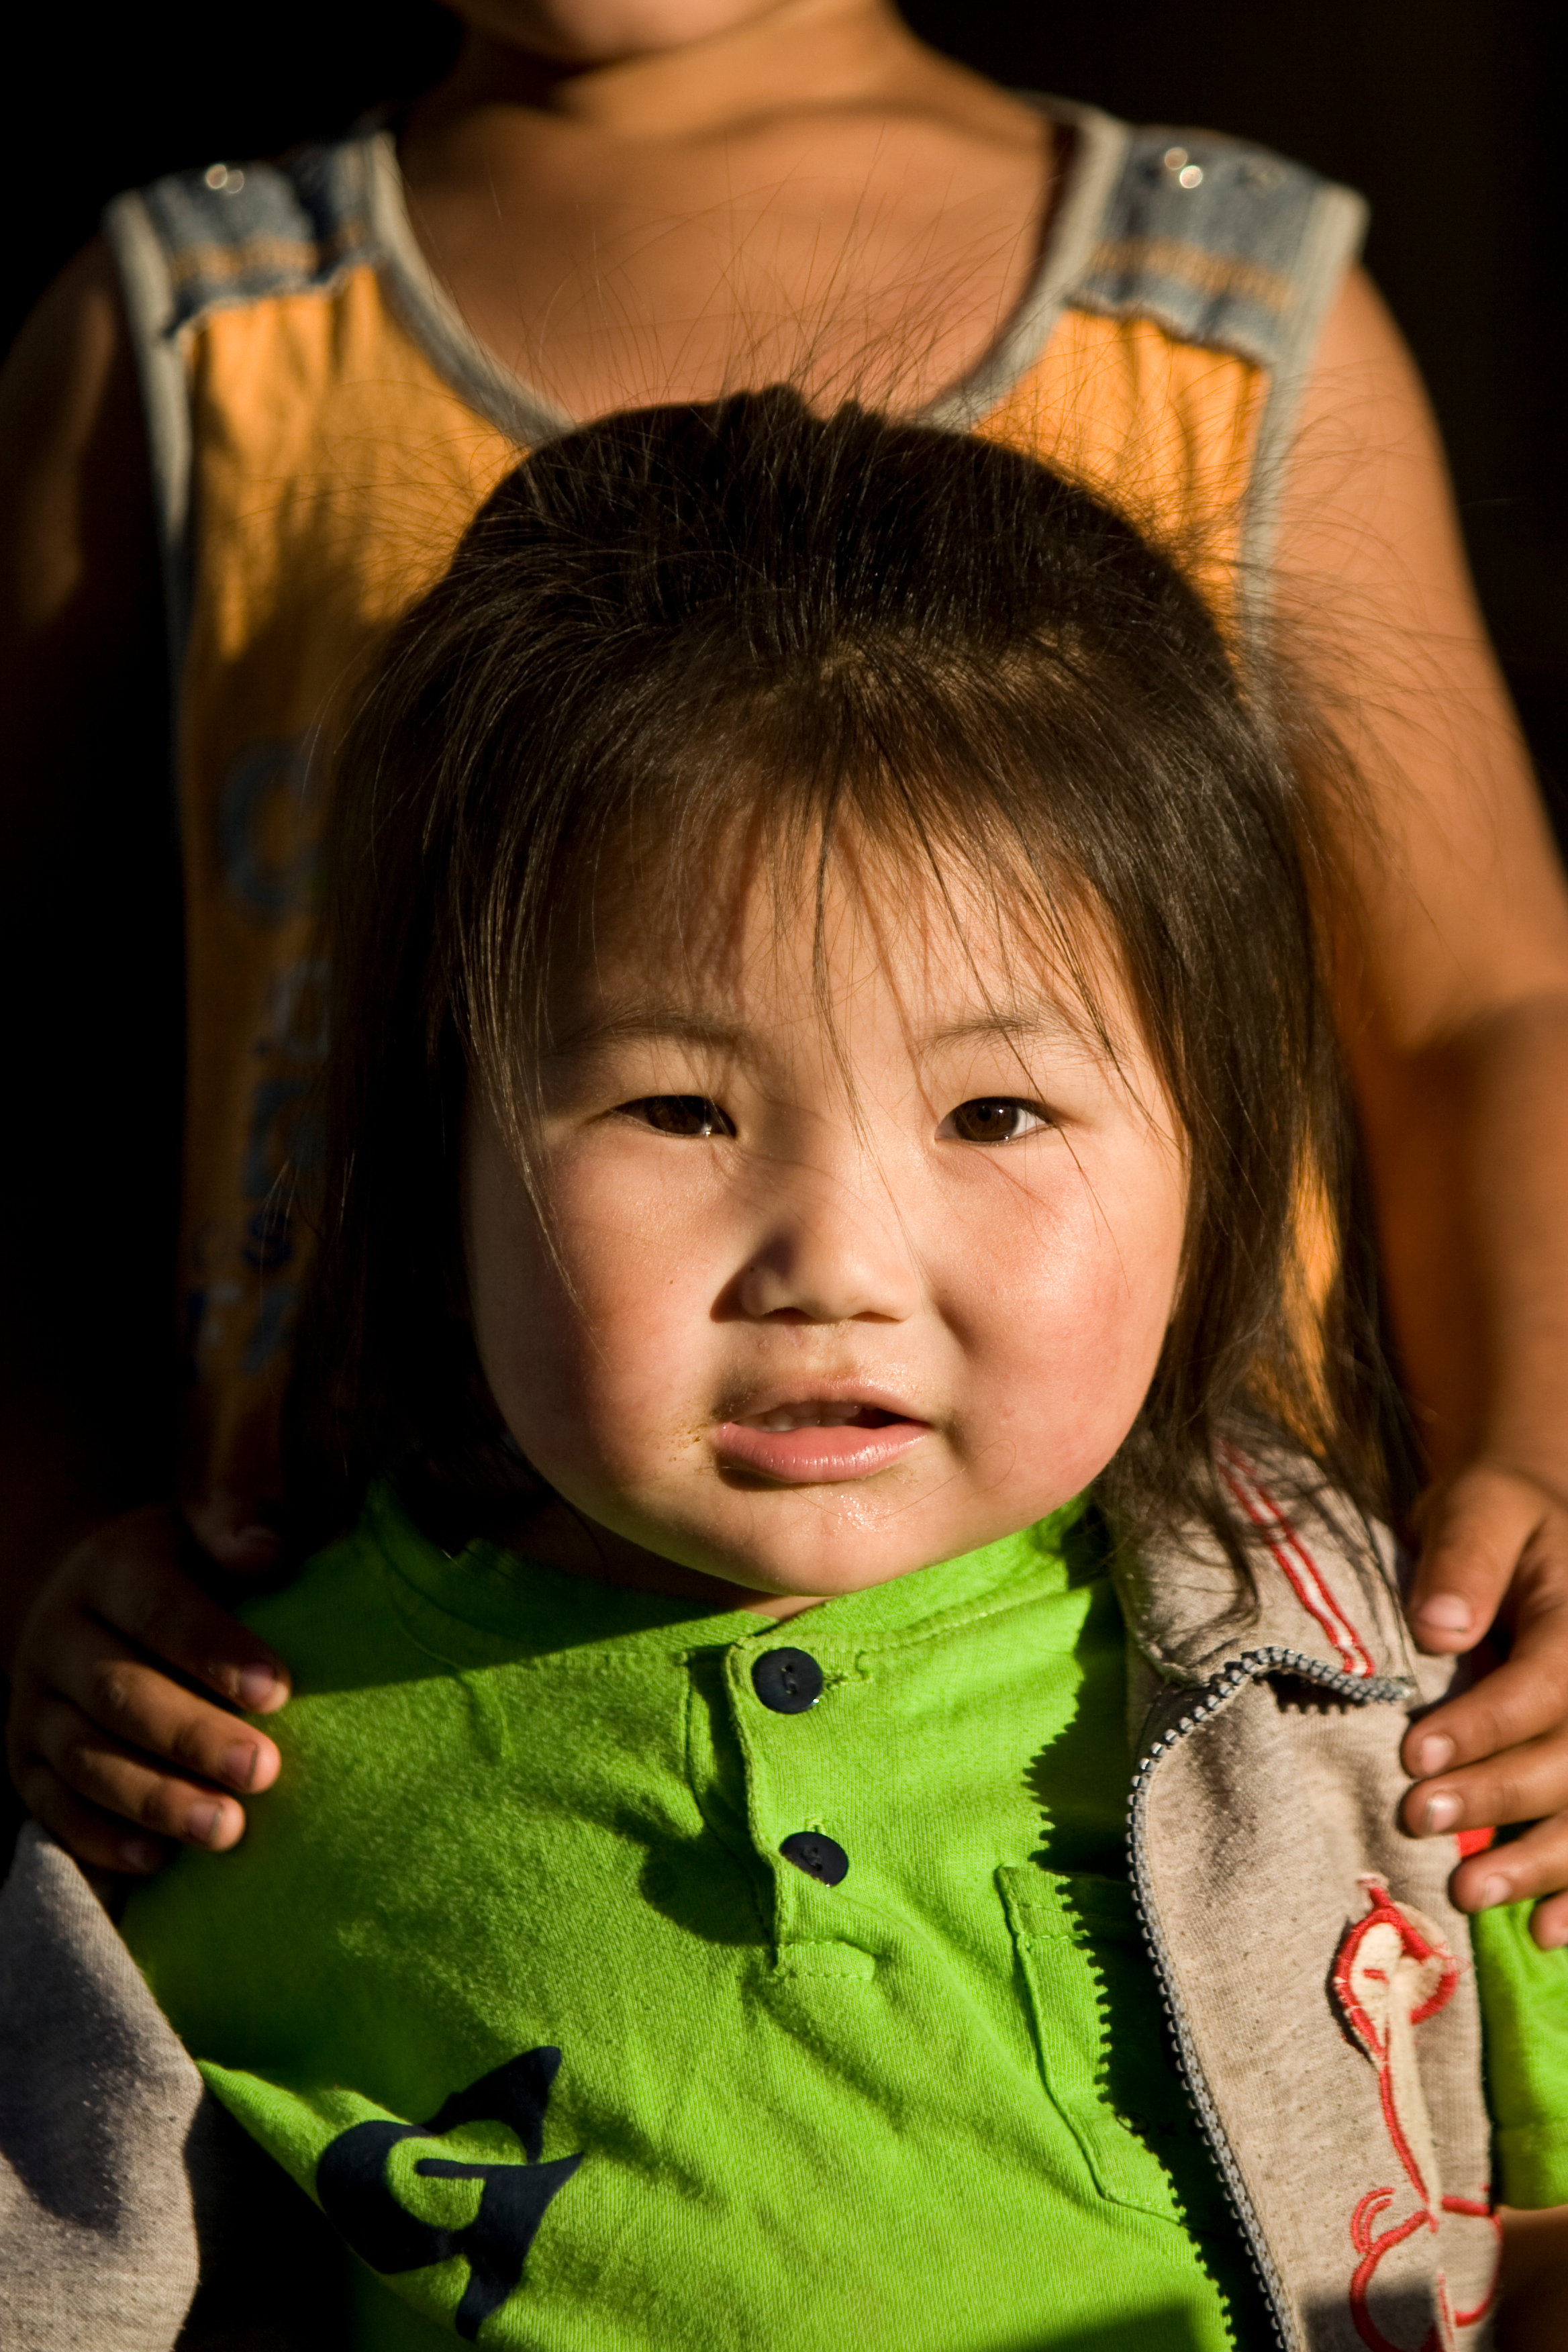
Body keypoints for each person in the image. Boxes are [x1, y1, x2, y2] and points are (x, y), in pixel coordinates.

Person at [6, 389, 1566, 2352]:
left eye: (997, 1112)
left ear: (1224, 1154)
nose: (834, 1266)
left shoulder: (1397, 1707)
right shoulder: (229, 1761)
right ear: (438, 1145)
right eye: (677, 1108)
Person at [6, 0, 1568, 1947]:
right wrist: (50, 1543)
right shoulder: (186, 338)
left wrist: (1535, 1449)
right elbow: (48, 1053)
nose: (836, 1250)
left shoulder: (1229, 314)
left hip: (1177, 1721)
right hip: (372, 1766)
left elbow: (1476, 1007)